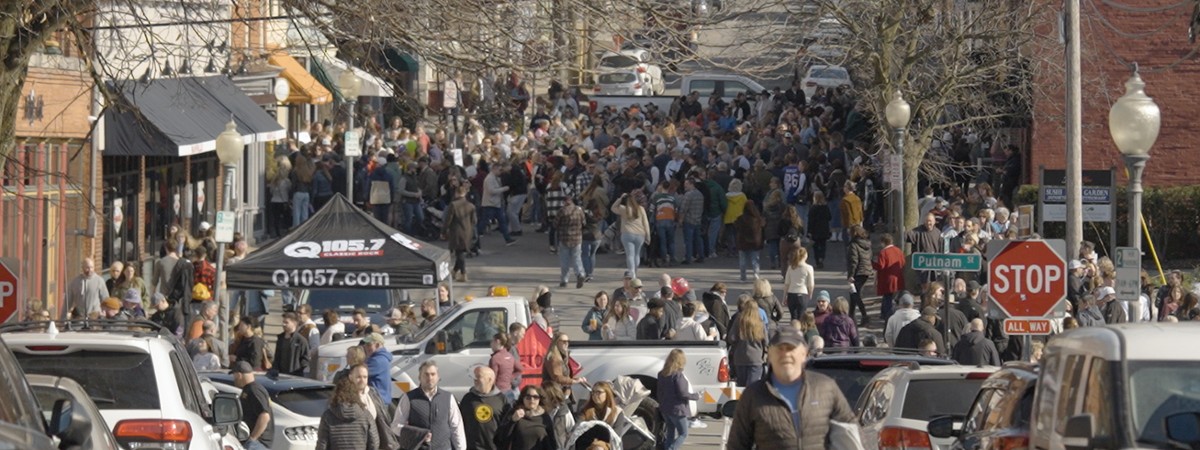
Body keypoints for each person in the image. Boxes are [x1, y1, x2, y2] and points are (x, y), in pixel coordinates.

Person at [727, 325, 855, 449]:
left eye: (790, 348)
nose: (785, 354)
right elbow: (737, 445)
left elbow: (853, 434)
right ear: (770, 354)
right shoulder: (753, 395)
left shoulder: (825, 388)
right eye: (779, 349)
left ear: (804, 354)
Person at [392, 361, 467, 450]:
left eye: (433, 374)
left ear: (438, 377)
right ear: (419, 377)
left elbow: (456, 427)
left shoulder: (448, 398)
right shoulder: (409, 398)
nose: (430, 378)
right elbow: (395, 426)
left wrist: (461, 448)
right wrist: (418, 434)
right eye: (426, 374)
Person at [317, 364, 380, 450]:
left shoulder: (328, 416)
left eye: (365, 377)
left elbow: (322, 444)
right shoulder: (366, 415)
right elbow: (374, 443)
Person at [460, 366, 510, 450]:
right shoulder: (468, 398)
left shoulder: (501, 399)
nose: (475, 380)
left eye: (478, 377)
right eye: (474, 377)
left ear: (490, 380)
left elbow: (507, 426)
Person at [658, 349, 699, 450]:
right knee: (683, 433)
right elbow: (683, 393)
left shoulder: (662, 374)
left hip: (665, 409)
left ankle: (667, 447)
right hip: (677, 410)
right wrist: (696, 396)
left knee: (670, 433)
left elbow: (659, 392)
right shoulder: (678, 375)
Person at [231, 361, 275, 450]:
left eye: (234, 375)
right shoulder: (250, 389)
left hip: (258, 443)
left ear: (239, 375)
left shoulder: (254, 390)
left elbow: (265, 416)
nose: (233, 379)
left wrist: (252, 439)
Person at [497, 385, 555, 450]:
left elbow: (552, 443)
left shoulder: (544, 417)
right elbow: (500, 438)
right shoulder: (514, 413)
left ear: (540, 399)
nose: (532, 400)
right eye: (528, 397)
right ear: (523, 398)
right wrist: (512, 421)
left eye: (535, 397)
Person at [726, 296, 768, 387]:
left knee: (741, 387)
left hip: (740, 358)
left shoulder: (739, 321)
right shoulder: (760, 323)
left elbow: (731, 338)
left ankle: (742, 401)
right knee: (752, 387)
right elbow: (766, 342)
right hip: (756, 358)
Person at [612, 191, 652, 279]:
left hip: (627, 233)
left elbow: (613, 208)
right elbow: (645, 223)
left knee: (629, 254)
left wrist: (620, 198)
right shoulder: (641, 209)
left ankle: (631, 272)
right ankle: (635, 271)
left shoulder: (623, 209)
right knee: (637, 254)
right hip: (640, 234)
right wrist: (648, 236)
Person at [443, 185, 477, 282]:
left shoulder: (453, 205)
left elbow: (448, 220)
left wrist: (443, 231)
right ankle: (454, 271)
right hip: (468, 231)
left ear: (456, 193)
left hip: (456, 232)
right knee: (460, 252)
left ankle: (463, 273)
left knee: (459, 253)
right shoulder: (471, 206)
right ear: (465, 193)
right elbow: (474, 220)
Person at [557, 195, 587, 289]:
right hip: (577, 238)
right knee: (577, 258)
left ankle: (564, 280)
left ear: (564, 202)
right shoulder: (579, 210)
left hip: (565, 238)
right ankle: (580, 274)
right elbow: (584, 223)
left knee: (564, 260)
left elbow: (555, 223)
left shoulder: (562, 211)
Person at [542, 332, 586, 397]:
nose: (566, 343)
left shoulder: (562, 356)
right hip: (554, 394)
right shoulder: (554, 358)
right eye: (564, 341)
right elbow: (557, 378)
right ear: (556, 342)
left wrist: (577, 379)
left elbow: (564, 376)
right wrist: (573, 381)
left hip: (561, 392)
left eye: (568, 341)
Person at [845, 225, 873, 326]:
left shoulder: (854, 244)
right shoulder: (867, 243)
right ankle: (851, 316)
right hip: (866, 271)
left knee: (855, 294)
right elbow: (870, 256)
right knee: (853, 293)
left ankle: (864, 316)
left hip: (858, 271)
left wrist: (851, 275)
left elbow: (854, 261)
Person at [734, 200, 766, 281]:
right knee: (755, 260)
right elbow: (763, 227)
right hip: (755, 242)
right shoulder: (758, 219)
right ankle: (756, 274)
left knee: (743, 261)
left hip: (743, 242)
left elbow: (736, 226)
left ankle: (743, 277)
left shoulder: (741, 218)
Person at [782, 246, 815, 321]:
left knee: (793, 317)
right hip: (802, 293)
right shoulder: (809, 268)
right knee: (801, 317)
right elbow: (811, 284)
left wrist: (784, 297)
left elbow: (787, 283)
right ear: (805, 255)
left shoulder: (791, 267)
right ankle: (800, 332)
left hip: (791, 294)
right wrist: (810, 293)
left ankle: (793, 331)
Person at [274, 312, 310, 377]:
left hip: (294, 376)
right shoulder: (280, 338)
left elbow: (305, 359)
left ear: (294, 323)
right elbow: (276, 357)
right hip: (280, 375)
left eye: (286, 322)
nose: (283, 324)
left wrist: (299, 371)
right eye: (283, 322)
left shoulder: (301, 340)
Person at [363, 333, 394, 407]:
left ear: (377, 345)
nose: (365, 347)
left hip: (377, 401)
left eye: (368, 345)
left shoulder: (377, 360)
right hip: (380, 399)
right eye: (365, 345)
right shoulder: (380, 358)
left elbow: (358, 374)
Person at [489, 333, 523, 401]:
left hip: (498, 392)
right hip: (508, 390)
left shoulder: (495, 358)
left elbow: (492, 377)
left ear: (497, 341)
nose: (491, 344)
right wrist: (510, 377)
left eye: (492, 341)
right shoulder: (510, 356)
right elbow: (520, 369)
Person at [806, 191, 832, 268]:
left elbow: (810, 221)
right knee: (823, 245)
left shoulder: (813, 208)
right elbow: (829, 217)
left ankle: (817, 260)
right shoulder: (825, 207)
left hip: (815, 230)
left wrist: (809, 231)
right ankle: (821, 258)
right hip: (824, 229)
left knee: (816, 246)